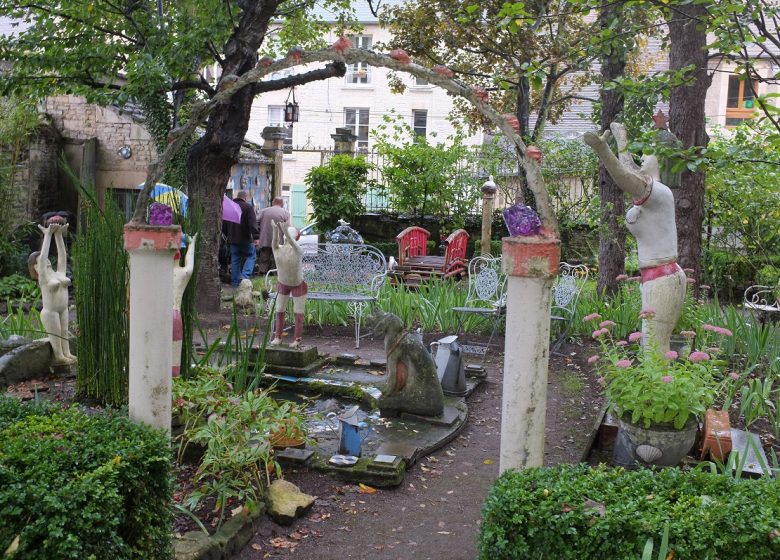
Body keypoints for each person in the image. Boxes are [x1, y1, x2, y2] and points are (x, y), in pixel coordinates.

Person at [583, 121, 686, 353]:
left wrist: (603, 150)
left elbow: (625, 177)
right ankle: (658, 386)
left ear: (662, 160)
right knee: (651, 344)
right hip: (655, 278)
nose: (643, 158)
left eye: (648, 154)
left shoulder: (659, 192)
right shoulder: (653, 190)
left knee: (653, 346)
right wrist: (621, 140)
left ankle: (658, 387)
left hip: (663, 278)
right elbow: (630, 169)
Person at [30, 218, 75, 365]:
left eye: (48, 259)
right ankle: (59, 356)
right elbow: (42, 258)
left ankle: (67, 352)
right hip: (51, 312)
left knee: (64, 332)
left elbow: (63, 256)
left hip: (63, 309)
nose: (46, 260)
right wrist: (48, 235)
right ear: (36, 267)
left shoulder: (58, 273)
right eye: (40, 262)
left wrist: (59, 236)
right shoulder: (43, 278)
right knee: (56, 335)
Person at [270, 222, 306, 348]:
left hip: (298, 285)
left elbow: (293, 244)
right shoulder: (278, 249)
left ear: (296, 236)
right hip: (282, 284)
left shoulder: (298, 250)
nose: (288, 234)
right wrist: (275, 230)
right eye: (287, 232)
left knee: (298, 312)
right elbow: (274, 243)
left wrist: (285, 231)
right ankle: (278, 337)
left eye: (291, 232)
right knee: (279, 309)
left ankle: (297, 338)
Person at [224, 190, 260, 288]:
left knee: (235, 260)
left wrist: (227, 235)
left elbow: (224, 225)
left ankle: (235, 283)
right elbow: (252, 224)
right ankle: (244, 277)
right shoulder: (248, 207)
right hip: (245, 239)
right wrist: (256, 237)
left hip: (232, 240)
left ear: (237, 196)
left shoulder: (230, 207)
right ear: (245, 197)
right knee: (251, 256)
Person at [172, 234, 196, 377]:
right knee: (174, 358)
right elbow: (189, 261)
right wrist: (192, 243)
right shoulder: (183, 273)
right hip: (175, 316)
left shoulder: (156, 272)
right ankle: (174, 384)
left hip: (156, 314)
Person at [256, 196, 290, 274]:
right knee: (277, 258)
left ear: (273, 202)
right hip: (278, 240)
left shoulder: (264, 211)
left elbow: (256, 222)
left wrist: (260, 231)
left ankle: (262, 273)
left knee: (264, 258)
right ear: (282, 203)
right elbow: (288, 228)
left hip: (265, 239)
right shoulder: (285, 213)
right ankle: (276, 274)